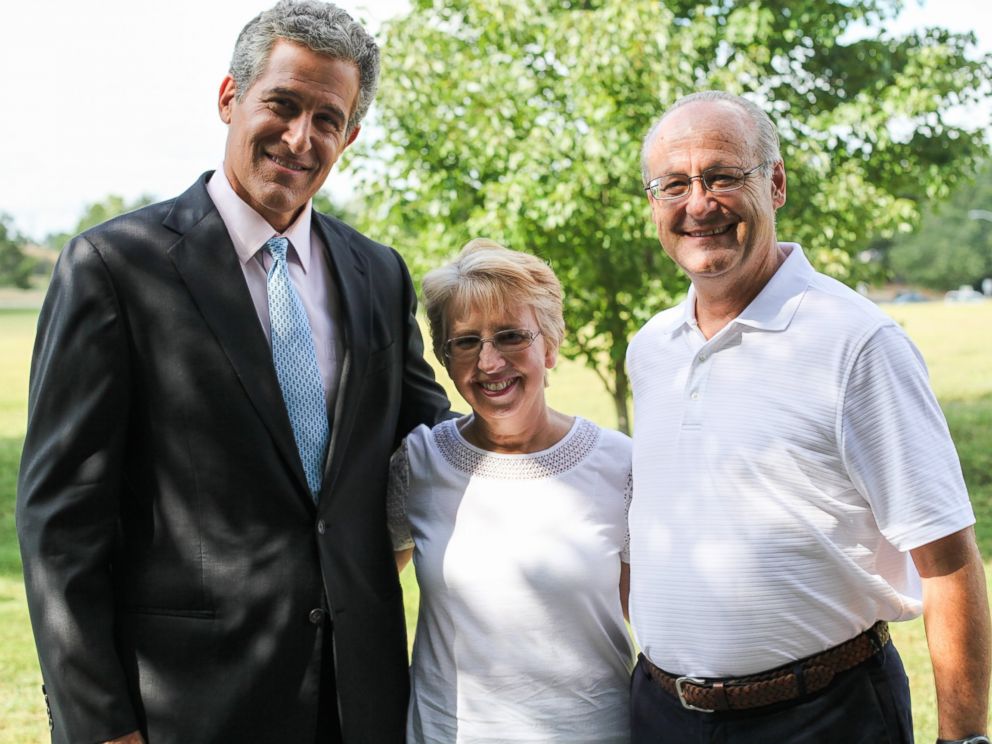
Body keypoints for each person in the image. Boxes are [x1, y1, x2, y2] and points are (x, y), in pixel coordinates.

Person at [16, 2, 450, 742]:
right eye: (281, 104)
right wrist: (100, 724)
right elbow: (61, 523)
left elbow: (429, 443)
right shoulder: (116, 268)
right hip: (184, 704)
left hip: (359, 702)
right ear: (229, 99)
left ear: (351, 134)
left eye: (327, 117)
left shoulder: (379, 273)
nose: (300, 136)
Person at [627, 90, 991, 743]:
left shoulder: (857, 342)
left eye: (723, 176)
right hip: (662, 716)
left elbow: (950, 562)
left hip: (823, 718)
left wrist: (963, 741)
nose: (699, 204)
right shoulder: (650, 349)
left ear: (776, 183)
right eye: (673, 184)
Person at [386, 239, 634, 743]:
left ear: (551, 344)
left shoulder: (619, 463)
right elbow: (359, 597)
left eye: (511, 336)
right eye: (466, 342)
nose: (490, 362)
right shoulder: (419, 463)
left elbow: (657, 624)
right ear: (444, 356)